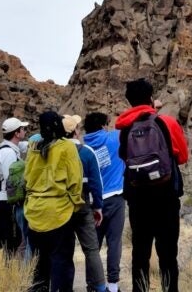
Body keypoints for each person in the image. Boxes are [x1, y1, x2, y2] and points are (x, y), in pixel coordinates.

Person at [116, 78, 188, 292]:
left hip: (138, 201)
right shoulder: (167, 122)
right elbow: (182, 157)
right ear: (150, 98)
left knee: (140, 255)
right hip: (166, 199)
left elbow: (124, 158)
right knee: (168, 256)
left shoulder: (125, 129)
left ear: (129, 102)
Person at [24, 111, 83, 292]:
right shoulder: (67, 147)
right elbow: (75, 181)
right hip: (59, 214)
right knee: (61, 263)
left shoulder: (33, 147)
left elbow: (27, 179)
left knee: (40, 264)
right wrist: (75, 204)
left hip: (34, 213)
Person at [63, 114, 107, 292]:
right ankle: (100, 288)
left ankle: (64, 287)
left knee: (64, 252)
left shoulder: (56, 152)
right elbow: (96, 185)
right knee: (91, 250)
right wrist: (98, 207)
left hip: (62, 209)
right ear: (76, 131)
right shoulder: (87, 152)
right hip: (83, 207)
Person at [84, 112, 125, 292]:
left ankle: (93, 285)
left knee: (93, 247)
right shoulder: (115, 137)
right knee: (114, 242)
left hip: (94, 201)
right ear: (102, 125)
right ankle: (113, 286)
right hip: (115, 198)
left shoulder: (84, 148)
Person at [0, 117, 29, 256]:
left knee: (3, 238)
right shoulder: (8, 153)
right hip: (7, 201)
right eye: (23, 129)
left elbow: (26, 145)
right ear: (17, 133)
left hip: (4, 200)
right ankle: (4, 270)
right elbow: (11, 180)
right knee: (9, 239)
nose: (25, 131)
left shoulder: (10, 148)